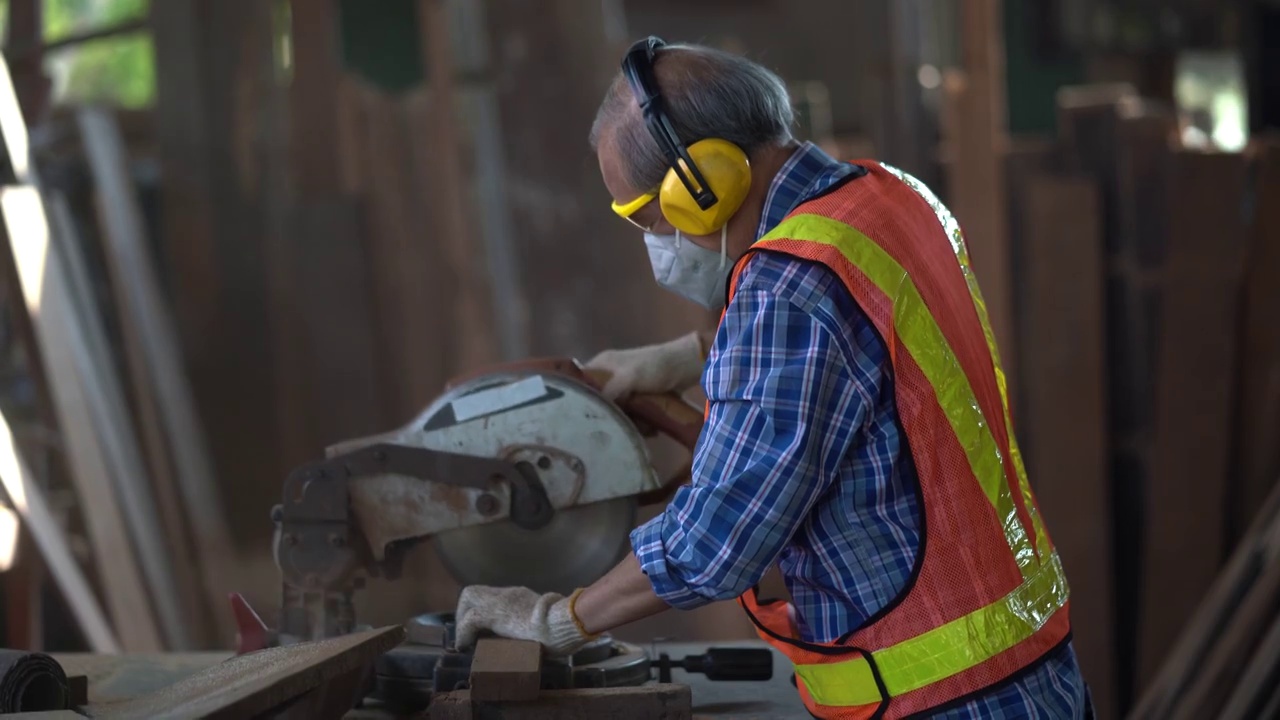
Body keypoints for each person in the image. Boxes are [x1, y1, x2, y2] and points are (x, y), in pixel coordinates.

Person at [454, 36, 1092, 719]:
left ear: (705, 182)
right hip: (1029, 665)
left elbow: (715, 544)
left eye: (649, 216)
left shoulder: (787, 287)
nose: (654, 243)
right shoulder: (891, 198)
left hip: (934, 696)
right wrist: (687, 355)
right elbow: (870, 346)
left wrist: (554, 620)